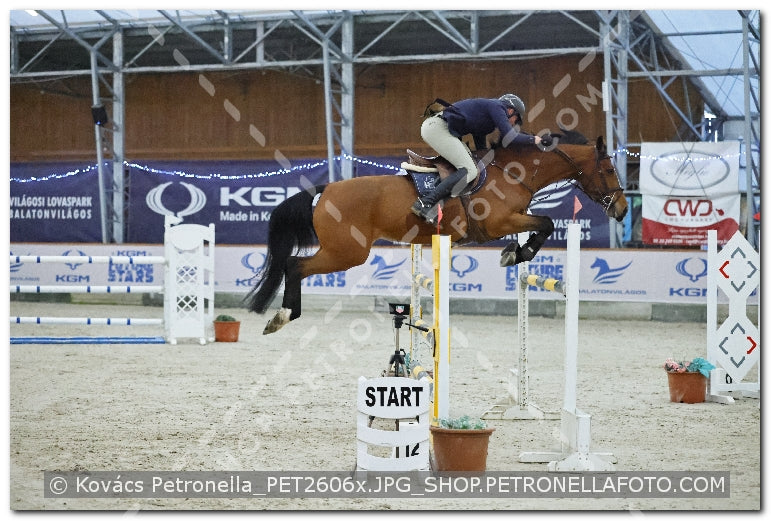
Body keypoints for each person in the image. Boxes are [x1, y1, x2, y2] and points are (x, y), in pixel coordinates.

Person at [411, 94, 550, 223]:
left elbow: (480, 147)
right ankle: (425, 202)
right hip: (437, 128)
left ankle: (434, 207)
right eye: (517, 119)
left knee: (472, 166)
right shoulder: (497, 107)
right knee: (469, 170)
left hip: (441, 129)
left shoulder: (488, 120)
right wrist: (536, 139)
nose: (514, 124)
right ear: (510, 110)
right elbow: (510, 136)